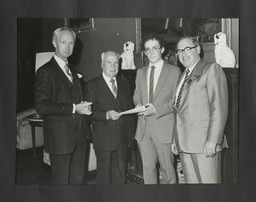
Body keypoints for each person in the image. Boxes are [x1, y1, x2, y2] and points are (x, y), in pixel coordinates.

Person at [34, 27, 92, 184]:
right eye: (63, 42)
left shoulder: (73, 70)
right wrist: (74, 108)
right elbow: (42, 106)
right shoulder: (45, 71)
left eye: (71, 43)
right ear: (54, 43)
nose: (68, 47)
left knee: (77, 183)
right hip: (60, 140)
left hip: (80, 137)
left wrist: (84, 106)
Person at [171, 36, 229, 183]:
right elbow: (179, 111)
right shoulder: (182, 77)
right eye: (179, 51)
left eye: (187, 49)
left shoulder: (211, 69)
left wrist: (213, 140)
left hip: (204, 145)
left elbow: (219, 108)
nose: (183, 54)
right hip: (184, 144)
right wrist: (174, 139)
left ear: (198, 49)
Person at [133, 33, 180, 184]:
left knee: (168, 172)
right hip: (143, 128)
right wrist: (138, 105)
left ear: (162, 49)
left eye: (155, 48)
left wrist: (157, 110)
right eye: (147, 50)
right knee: (148, 171)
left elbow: (176, 100)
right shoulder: (140, 72)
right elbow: (137, 94)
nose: (151, 52)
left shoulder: (174, 71)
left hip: (164, 127)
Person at [84, 51, 134, 184]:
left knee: (120, 178)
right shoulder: (91, 85)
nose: (113, 66)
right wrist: (106, 115)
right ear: (102, 64)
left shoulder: (125, 83)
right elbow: (87, 115)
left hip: (122, 140)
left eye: (116, 63)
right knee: (104, 180)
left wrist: (130, 138)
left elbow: (129, 111)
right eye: (109, 62)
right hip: (104, 141)